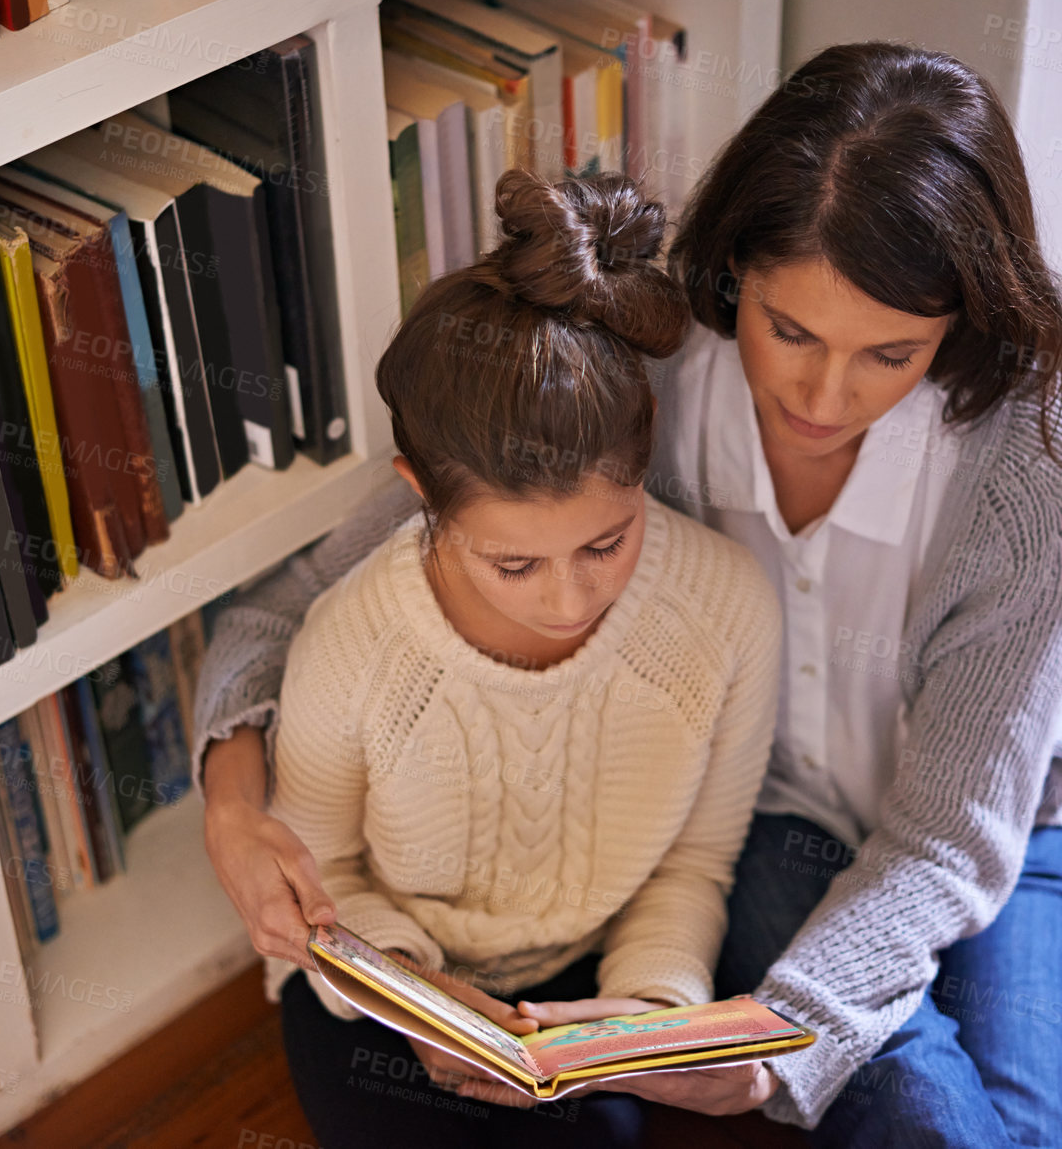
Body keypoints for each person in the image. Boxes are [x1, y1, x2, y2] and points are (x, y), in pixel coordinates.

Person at [196, 41, 1062, 1148]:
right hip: (775, 829)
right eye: (791, 331)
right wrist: (235, 808)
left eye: (893, 352)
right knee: (922, 1113)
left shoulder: (1036, 464)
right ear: (735, 274)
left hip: (985, 828)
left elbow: (950, 843)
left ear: (959, 319)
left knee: (1015, 1125)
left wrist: (786, 1041)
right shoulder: (639, 364)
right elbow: (283, 614)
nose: (826, 396)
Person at [242, 168, 783, 1149]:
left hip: (588, 987)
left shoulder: (728, 607)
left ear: (644, 452)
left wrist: (643, 1019)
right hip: (386, 997)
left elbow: (695, 866)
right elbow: (321, 878)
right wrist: (417, 993)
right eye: (514, 563)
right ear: (420, 492)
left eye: (605, 545)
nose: (570, 601)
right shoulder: (353, 646)